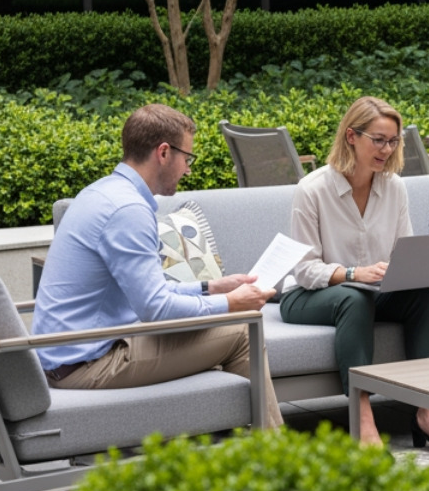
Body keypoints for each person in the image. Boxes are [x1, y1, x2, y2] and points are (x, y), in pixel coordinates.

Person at [32, 104, 282, 428]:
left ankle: (228, 450)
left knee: (216, 334)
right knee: (241, 332)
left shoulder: (102, 193)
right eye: (187, 159)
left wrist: (210, 287)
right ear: (163, 153)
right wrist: (230, 304)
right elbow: (155, 308)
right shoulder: (129, 210)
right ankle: (279, 461)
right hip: (87, 364)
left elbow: (148, 292)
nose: (188, 170)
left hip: (66, 354)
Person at [280, 96, 429, 453]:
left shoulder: (394, 187)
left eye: (393, 141)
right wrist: (353, 273)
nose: (387, 149)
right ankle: (362, 418)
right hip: (306, 295)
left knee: (422, 296)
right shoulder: (313, 190)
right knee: (353, 296)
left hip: (372, 291)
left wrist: (417, 271)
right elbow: (303, 269)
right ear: (351, 136)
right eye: (378, 139)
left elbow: (403, 250)